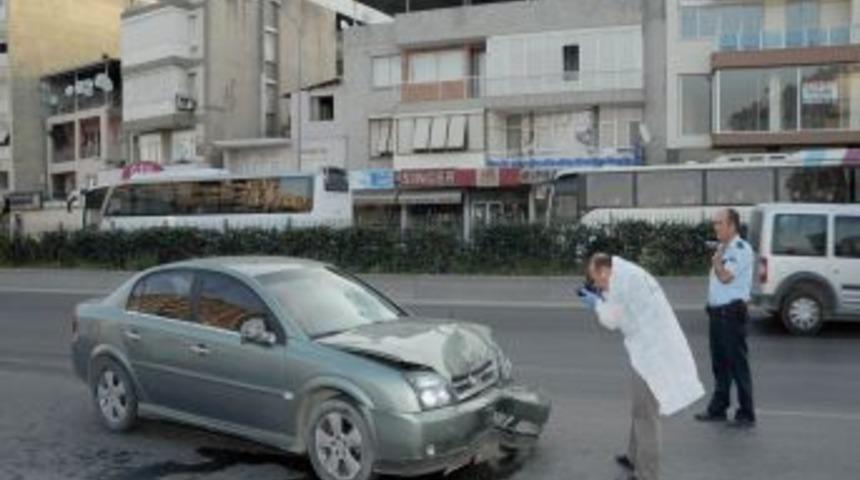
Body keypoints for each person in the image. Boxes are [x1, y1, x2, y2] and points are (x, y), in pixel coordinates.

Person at [579, 254, 704, 480]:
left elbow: (611, 320)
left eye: (595, 279)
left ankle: (648, 473)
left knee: (646, 415)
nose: (596, 285)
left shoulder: (619, 281)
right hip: (649, 346)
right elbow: (621, 305)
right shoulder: (624, 271)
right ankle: (633, 455)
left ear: (604, 270)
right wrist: (602, 297)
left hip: (653, 354)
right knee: (640, 408)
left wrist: (596, 303)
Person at [695, 208, 756, 428]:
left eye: (719, 223)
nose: (716, 227)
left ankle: (746, 413)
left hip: (731, 314)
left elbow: (725, 277)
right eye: (714, 223)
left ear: (732, 226)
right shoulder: (724, 248)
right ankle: (718, 409)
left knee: (737, 364)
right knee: (720, 364)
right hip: (717, 314)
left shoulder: (740, 249)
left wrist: (717, 262)